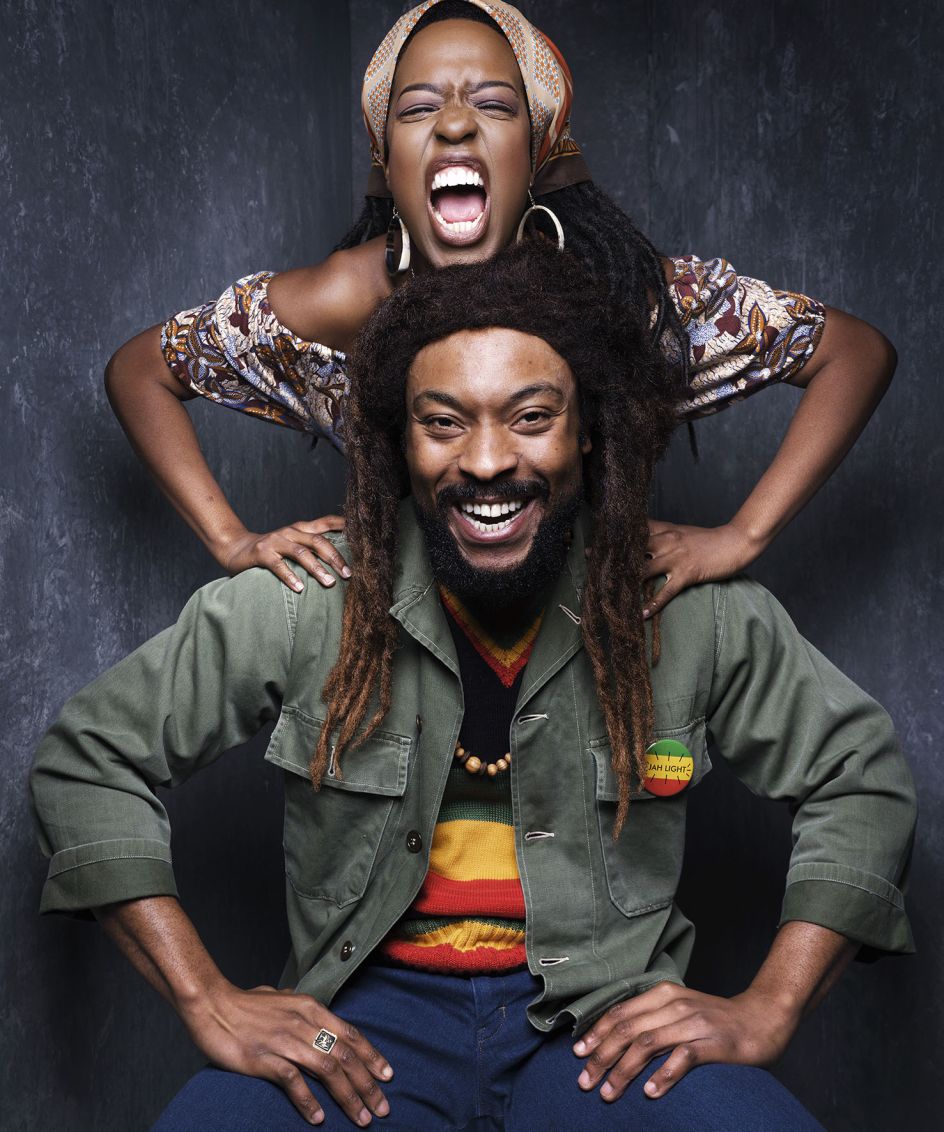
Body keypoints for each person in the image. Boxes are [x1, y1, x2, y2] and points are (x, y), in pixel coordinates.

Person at [32, 243, 914, 1131]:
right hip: (366, 1029)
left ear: (589, 432)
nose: (487, 461)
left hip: (601, 1026)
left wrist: (771, 1006)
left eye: (530, 417)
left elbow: (860, 778)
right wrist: (205, 997)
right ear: (399, 444)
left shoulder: (687, 608)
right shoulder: (306, 600)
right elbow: (89, 759)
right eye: (444, 422)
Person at [105, 0, 896, 615]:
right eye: (419, 109)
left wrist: (743, 535)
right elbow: (140, 371)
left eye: (492, 104)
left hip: (585, 635)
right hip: (405, 640)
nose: (453, 123)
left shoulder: (616, 294)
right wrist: (231, 539)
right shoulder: (349, 298)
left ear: (539, 149)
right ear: (389, 160)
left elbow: (852, 353)